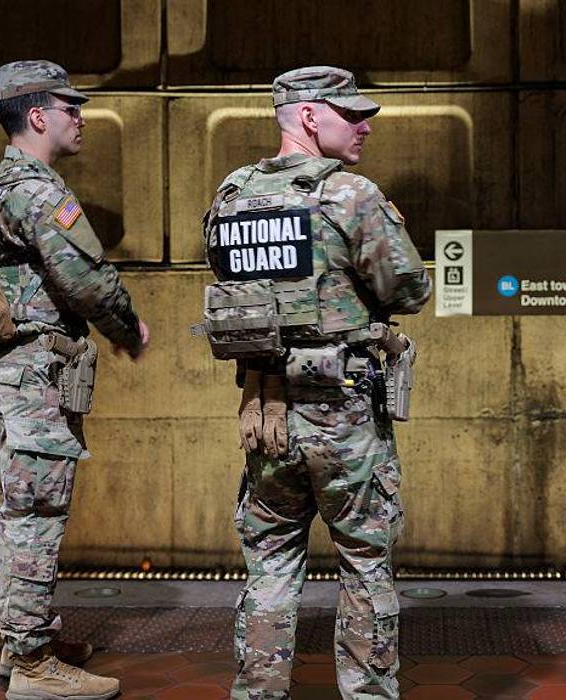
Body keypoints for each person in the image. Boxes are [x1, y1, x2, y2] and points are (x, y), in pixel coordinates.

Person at [201, 66, 431, 699]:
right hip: (343, 410)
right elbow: (408, 289)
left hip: (265, 409)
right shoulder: (352, 196)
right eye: (348, 113)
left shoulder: (231, 196)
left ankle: (259, 692)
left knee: (269, 560)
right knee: (364, 560)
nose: (364, 126)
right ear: (307, 116)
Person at [0, 59, 148, 700]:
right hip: (36, 376)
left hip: (14, 370)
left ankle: (23, 642)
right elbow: (84, 278)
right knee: (37, 516)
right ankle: (31, 666)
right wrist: (128, 328)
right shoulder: (38, 190)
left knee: (19, 510)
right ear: (37, 115)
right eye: (69, 106)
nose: (81, 117)